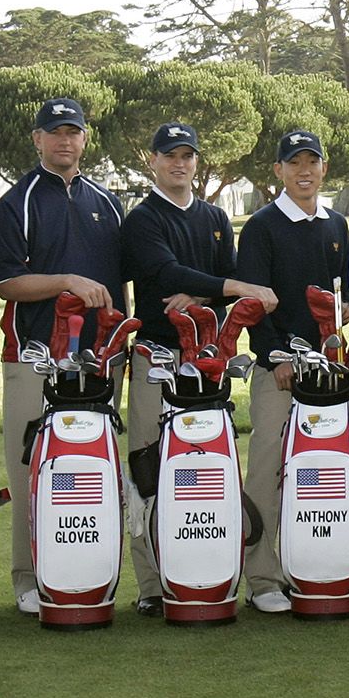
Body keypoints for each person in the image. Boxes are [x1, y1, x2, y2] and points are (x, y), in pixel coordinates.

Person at [121, 122, 276, 616]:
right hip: (157, 358)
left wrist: (211, 289)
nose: (180, 163)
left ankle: (209, 567)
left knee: (205, 469)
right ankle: (150, 583)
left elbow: (215, 278)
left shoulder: (212, 216)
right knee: (148, 465)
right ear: (153, 160)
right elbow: (165, 274)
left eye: (187, 155)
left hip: (207, 364)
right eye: (170, 156)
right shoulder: (142, 219)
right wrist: (227, 287)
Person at [0, 98, 126, 615]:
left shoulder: (106, 202)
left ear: (85, 140)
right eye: (55, 132)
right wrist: (66, 281)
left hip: (98, 359)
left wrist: (119, 351)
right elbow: (6, 283)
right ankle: (27, 575)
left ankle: (91, 568)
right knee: (31, 465)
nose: (65, 141)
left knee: (93, 468)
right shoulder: (17, 201)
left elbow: (118, 285)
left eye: (73, 132)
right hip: (34, 354)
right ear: (37, 139)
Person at [234, 130, 349, 614]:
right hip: (278, 370)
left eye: (313, 161)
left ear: (324, 168)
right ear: (279, 171)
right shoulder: (262, 226)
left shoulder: (336, 225)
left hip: (327, 373)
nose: (305, 171)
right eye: (294, 163)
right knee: (266, 470)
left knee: (322, 472)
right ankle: (261, 576)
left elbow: (340, 298)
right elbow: (252, 301)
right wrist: (276, 356)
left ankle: (316, 566)